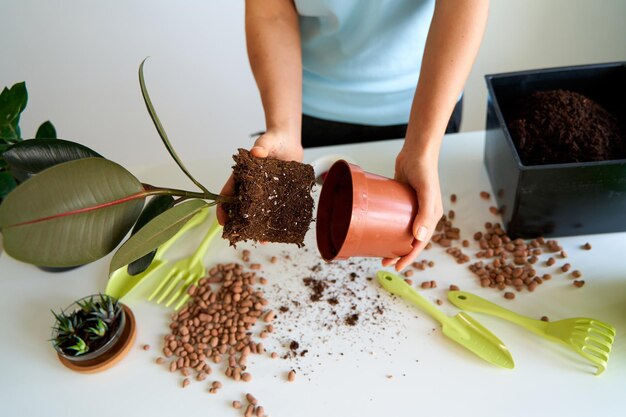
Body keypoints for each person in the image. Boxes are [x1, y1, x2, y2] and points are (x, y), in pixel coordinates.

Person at [218, 0, 489, 271]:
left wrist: (422, 150)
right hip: (303, 106)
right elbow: (271, 11)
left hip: (427, 106)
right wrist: (284, 128)